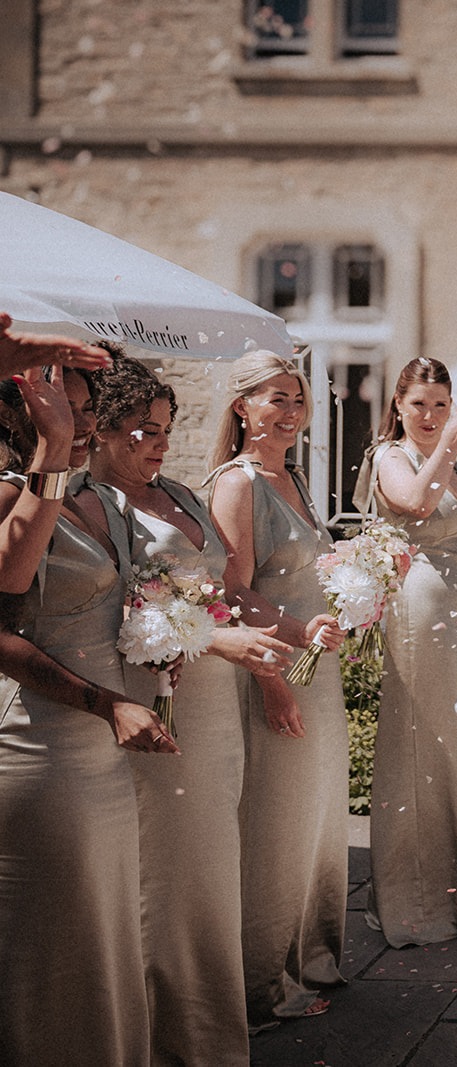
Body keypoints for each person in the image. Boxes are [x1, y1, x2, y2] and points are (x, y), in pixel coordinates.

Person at [89, 351, 296, 1065]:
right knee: (169, 873)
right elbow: (120, 613)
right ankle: (166, 1036)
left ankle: (213, 1033)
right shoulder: (97, 506)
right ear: (103, 429)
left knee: (213, 863)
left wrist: (284, 634)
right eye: (143, 429)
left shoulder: (178, 491)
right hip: (162, 702)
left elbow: (221, 587)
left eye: (166, 427)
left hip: (216, 700)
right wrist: (221, 638)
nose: (158, 442)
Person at [0, 361, 174, 1067]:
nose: (77, 424)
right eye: (57, 410)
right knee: (56, 943)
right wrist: (108, 702)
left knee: (107, 934)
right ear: (19, 417)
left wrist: (165, 642)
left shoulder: (97, 496)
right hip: (42, 747)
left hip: (108, 750)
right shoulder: (15, 493)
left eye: (82, 408)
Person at [205, 352, 350, 1028]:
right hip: (275, 666)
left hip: (316, 668)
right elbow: (231, 593)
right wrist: (283, 660)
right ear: (243, 407)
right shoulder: (236, 484)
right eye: (276, 399)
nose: (290, 412)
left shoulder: (289, 475)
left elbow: (299, 572)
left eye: (297, 400)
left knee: (315, 821)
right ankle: (259, 986)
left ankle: (309, 955)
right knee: (273, 827)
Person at [357, 357, 457, 947]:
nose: (430, 416)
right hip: (419, 608)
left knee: (453, 751)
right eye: (419, 404)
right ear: (398, 406)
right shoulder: (393, 458)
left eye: (441, 406)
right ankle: (410, 901)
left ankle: (449, 890)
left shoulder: (449, 466)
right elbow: (416, 508)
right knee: (418, 745)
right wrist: (451, 443)